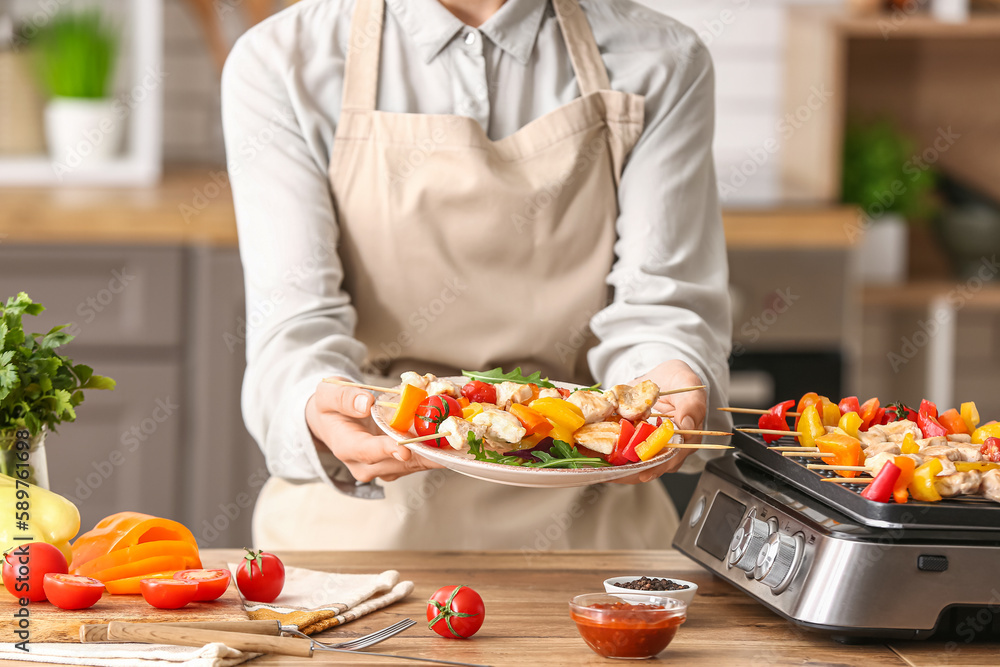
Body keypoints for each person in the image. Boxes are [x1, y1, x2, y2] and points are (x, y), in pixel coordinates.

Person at [222, 0, 732, 551]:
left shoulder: (662, 58)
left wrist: (671, 380)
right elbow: (294, 326)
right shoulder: (281, 59)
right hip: (356, 542)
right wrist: (318, 407)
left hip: (592, 532)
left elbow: (659, 306)